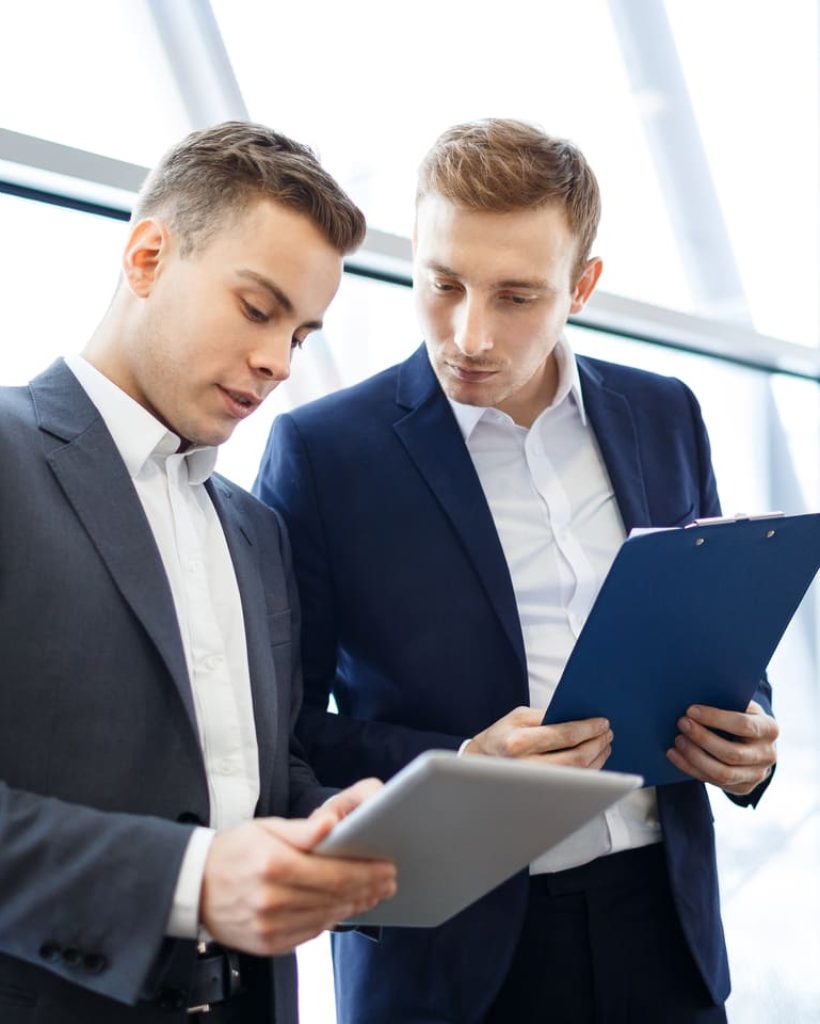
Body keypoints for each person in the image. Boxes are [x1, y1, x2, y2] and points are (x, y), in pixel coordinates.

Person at [254, 119, 779, 1024]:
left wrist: (747, 742)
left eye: (517, 296)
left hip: (663, 930)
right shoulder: (322, 453)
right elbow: (282, 734)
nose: (471, 334)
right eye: (444, 284)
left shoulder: (665, 414)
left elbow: (715, 646)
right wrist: (460, 766)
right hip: (450, 960)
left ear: (583, 287)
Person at [0, 121, 397, 1024]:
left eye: (301, 334)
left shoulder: (255, 530)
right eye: (259, 310)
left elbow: (258, 779)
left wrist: (354, 823)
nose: (277, 363)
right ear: (146, 257)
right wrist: (190, 880)